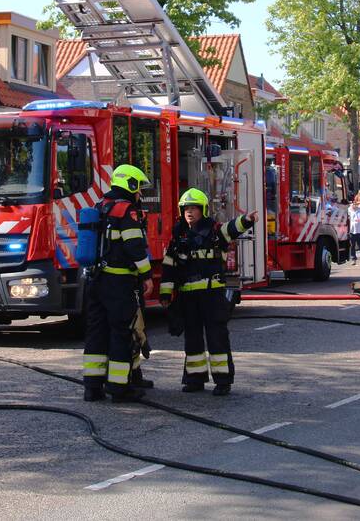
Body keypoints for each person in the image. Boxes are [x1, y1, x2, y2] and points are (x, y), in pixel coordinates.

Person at [159, 189, 256, 396]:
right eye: (186, 209)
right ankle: (195, 379)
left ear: (202, 210)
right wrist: (166, 294)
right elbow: (169, 266)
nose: (189, 212)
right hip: (188, 297)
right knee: (192, 339)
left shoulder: (213, 230)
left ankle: (222, 380)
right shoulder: (178, 235)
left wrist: (246, 220)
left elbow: (231, 228)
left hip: (212, 296)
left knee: (217, 337)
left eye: (193, 208)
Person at [82, 164, 154, 403]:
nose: (140, 194)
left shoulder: (100, 206)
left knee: (96, 332)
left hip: (95, 280)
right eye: (138, 188)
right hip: (119, 281)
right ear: (130, 185)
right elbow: (134, 247)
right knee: (120, 332)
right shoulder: (126, 211)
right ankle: (119, 387)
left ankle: (92, 387)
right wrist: (146, 276)